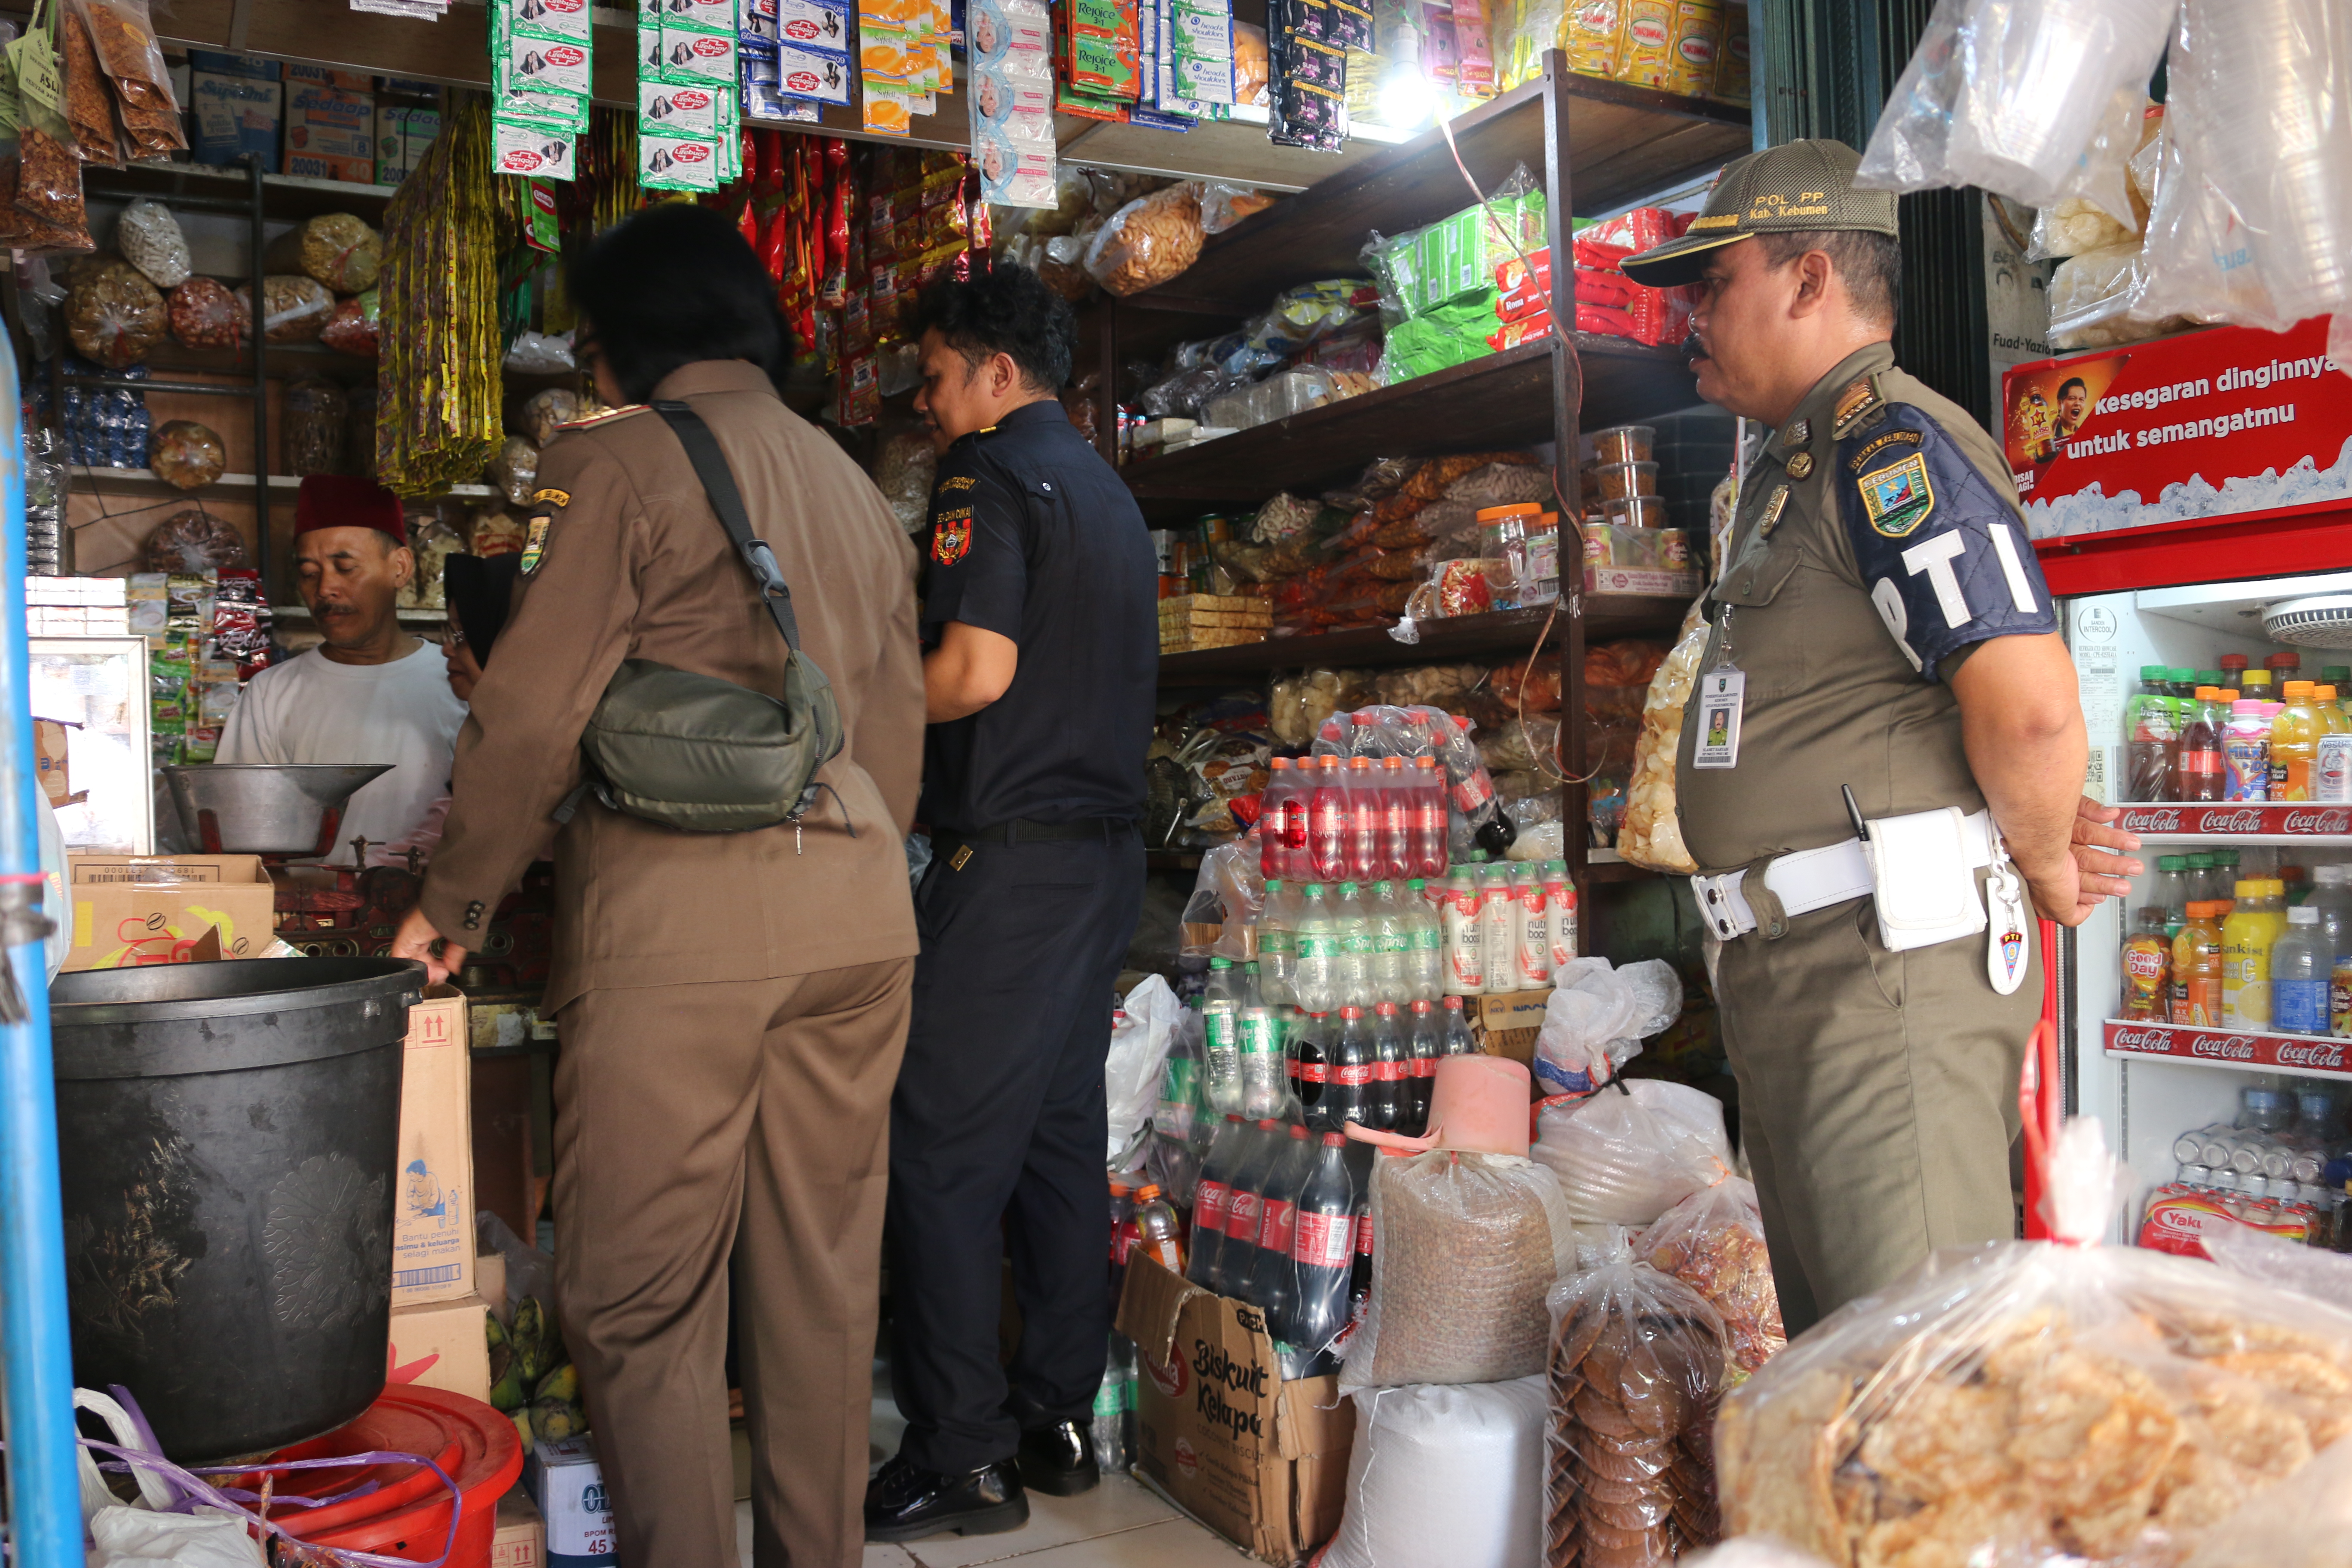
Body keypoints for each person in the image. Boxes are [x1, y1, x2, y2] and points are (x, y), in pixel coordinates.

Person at [387, 203, 925, 1568]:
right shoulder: (855, 483)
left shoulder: (610, 461)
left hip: (685, 926)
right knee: (817, 1292)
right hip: (861, 913)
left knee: (637, 1300)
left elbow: (529, 711)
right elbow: (898, 726)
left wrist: (450, 905)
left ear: (622, 340)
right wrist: (844, 871)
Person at [1620, 139, 2140, 1335]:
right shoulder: (1796, 463)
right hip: (1808, 977)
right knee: (1842, 1382)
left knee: (1915, 1387)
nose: (1694, 316)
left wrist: (2049, 855)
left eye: (1717, 283)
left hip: (1885, 985)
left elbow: (2031, 704)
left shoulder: (1889, 446)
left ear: (1809, 281)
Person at [864, 263, 1156, 1544]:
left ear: (993, 371)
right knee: (1052, 1142)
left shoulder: (987, 474)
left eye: (933, 377)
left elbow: (974, 672)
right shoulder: (1106, 487)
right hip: (1101, 864)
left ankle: (961, 1452)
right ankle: (1057, 1417)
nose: (926, 406)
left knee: (934, 1150)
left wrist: (852, 707)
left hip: (1017, 861)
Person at [217, 475, 465, 864]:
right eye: (309, 573)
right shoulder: (270, 693)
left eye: (345, 567)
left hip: (430, 918)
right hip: (309, 919)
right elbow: (241, 837)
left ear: (400, 568)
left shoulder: (458, 684)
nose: (325, 589)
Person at [2052, 375, 2092, 447]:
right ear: (2060, 404)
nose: (2078, 403)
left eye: (2081, 400)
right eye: (2072, 398)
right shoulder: (2050, 433)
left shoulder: (2085, 435)